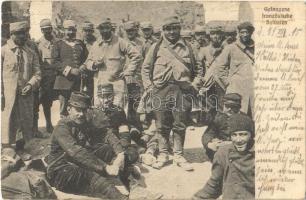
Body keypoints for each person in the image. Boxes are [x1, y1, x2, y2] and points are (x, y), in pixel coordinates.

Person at [46, 92, 162, 199]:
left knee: (108, 150)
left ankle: (135, 188)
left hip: (78, 162)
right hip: (61, 171)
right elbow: (77, 152)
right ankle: (121, 198)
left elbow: (106, 133)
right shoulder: (62, 127)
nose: (81, 114)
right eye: (78, 110)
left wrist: (120, 153)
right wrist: (105, 167)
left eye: (84, 110)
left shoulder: (83, 120)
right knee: (91, 175)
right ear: (69, 109)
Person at [141, 16, 203, 171]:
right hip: (160, 90)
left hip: (182, 91)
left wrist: (194, 85)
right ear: (163, 30)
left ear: (179, 29)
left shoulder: (189, 47)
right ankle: (163, 154)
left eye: (175, 28)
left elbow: (200, 70)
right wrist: (149, 88)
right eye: (168, 29)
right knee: (161, 124)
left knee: (180, 123)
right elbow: (145, 69)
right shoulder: (156, 47)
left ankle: (179, 155)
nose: (171, 32)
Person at [1, 21, 41, 159]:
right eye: (19, 33)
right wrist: (1, 93)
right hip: (7, 95)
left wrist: (30, 85)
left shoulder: (30, 53)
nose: (23, 36)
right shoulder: (3, 51)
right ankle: (6, 147)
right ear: (12, 35)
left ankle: (20, 148)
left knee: (24, 120)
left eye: (24, 33)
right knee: (7, 119)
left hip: (25, 95)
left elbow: (38, 74)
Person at [193, 113, 255, 199]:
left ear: (251, 135)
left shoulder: (260, 154)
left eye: (243, 134)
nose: (238, 140)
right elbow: (214, 185)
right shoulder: (223, 153)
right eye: (234, 135)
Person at [213, 21, 254, 117]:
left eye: (247, 32)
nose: (245, 35)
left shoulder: (256, 47)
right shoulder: (230, 48)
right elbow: (220, 67)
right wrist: (227, 83)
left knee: (252, 115)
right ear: (238, 33)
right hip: (236, 87)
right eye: (242, 32)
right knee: (233, 115)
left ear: (251, 33)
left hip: (253, 88)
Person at [53, 20, 88, 118]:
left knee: (78, 107)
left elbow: (86, 59)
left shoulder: (80, 44)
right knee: (64, 109)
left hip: (78, 82)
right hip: (64, 82)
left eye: (73, 30)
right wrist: (70, 70)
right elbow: (55, 63)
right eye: (68, 30)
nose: (70, 33)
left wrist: (83, 67)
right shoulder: (58, 44)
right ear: (63, 31)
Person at [202, 93, 243, 161]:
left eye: (233, 107)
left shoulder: (245, 119)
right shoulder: (218, 118)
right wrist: (209, 144)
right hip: (221, 150)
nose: (229, 109)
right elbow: (208, 134)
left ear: (239, 107)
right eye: (227, 106)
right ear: (223, 106)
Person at [36, 19, 59, 133]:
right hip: (44, 78)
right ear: (41, 30)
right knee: (44, 101)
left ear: (52, 29)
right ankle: (47, 125)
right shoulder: (38, 44)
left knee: (59, 101)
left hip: (57, 76)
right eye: (44, 30)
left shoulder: (59, 42)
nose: (47, 32)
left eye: (49, 29)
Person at [80, 21, 96, 98]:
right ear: (82, 31)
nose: (87, 33)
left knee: (92, 94)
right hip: (81, 72)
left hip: (93, 72)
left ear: (92, 32)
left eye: (89, 30)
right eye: (85, 30)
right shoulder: (79, 42)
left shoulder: (96, 43)